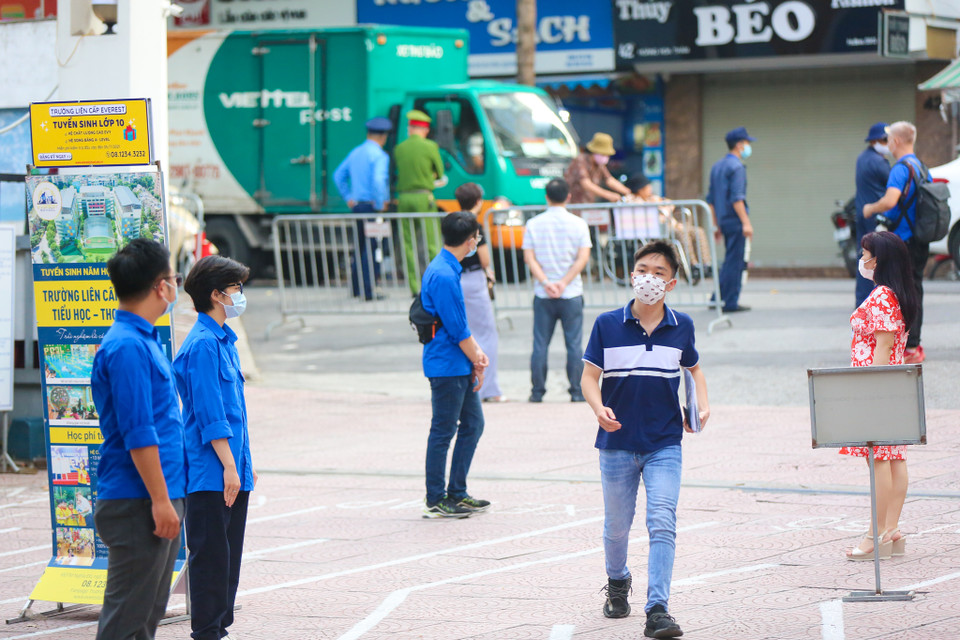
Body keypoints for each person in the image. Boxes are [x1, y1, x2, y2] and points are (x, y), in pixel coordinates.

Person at [581, 240, 710, 640]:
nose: (648, 278)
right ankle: (618, 581)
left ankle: (658, 609)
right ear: (631, 274)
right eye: (642, 270)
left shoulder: (681, 325)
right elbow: (588, 377)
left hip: (664, 442)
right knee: (617, 526)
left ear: (671, 283)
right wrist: (597, 408)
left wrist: (702, 404)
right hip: (616, 443)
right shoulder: (606, 324)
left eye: (658, 273)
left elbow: (694, 369)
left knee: (662, 522)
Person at [90, 239, 186, 640]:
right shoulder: (128, 346)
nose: (176, 286)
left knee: (146, 615)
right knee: (127, 621)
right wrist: (161, 501)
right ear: (160, 286)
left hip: (154, 495)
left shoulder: (142, 339)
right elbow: (139, 433)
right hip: (139, 500)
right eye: (173, 277)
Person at [173, 255, 257, 640]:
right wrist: (228, 465)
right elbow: (210, 415)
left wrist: (243, 462)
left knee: (229, 558)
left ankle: (219, 627)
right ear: (216, 294)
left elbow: (234, 411)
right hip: (211, 472)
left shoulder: (224, 340)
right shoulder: (204, 345)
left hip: (230, 466)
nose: (240, 295)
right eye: (235, 288)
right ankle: (207, 631)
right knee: (210, 558)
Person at [838, 230, 919, 560]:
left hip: (879, 387)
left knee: (881, 461)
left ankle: (875, 536)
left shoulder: (883, 296)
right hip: (892, 387)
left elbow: (883, 347)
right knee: (894, 458)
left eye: (866, 254)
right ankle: (890, 529)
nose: (862, 259)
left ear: (880, 260)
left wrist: (870, 394)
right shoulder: (898, 294)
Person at [419, 211, 491, 518]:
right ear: (470, 239)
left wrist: (474, 355)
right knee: (443, 430)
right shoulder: (445, 274)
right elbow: (457, 327)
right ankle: (436, 497)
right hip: (447, 364)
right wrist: (478, 357)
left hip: (455, 362)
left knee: (473, 424)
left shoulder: (447, 266)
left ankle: (457, 492)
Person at [862, 121, 928, 364]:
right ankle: (913, 345)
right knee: (914, 291)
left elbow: (891, 201)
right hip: (920, 239)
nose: (887, 143)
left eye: (889, 139)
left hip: (904, 241)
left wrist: (870, 208)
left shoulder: (900, 168)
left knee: (898, 293)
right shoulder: (921, 166)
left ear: (896, 141)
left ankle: (906, 347)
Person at [522, 178, 592, 403]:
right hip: (571, 292)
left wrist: (546, 282)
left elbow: (529, 258)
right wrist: (564, 282)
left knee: (540, 344)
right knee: (574, 344)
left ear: (546, 197)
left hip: (543, 294)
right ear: (568, 196)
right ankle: (577, 392)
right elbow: (583, 257)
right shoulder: (578, 223)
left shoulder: (534, 224)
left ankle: (537, 392)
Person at [333, 117, 393, 301]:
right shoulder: (380, 156)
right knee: (372, 248)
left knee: (359, 247)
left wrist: (348, 197)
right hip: (372, 207)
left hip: (358, 206)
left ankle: (356, 288)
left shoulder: (356, 152)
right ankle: (369, 290)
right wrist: (381, 202)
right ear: (383, 136)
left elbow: (338, 175)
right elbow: (377, 180)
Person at [454, 182, 504, 402]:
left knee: (465, 332)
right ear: (478, 201)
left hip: (456, 278)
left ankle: (467, 385)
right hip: (474, 279)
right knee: (487, 334)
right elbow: (483, 259)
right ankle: (489, 389)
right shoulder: (474, 225)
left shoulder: (453, 223)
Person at [395, 109, 447, 295]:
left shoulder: (399, 148)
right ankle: (435, 284)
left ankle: (414, 287)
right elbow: (440, 173)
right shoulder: (430, 146)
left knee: (408, 244)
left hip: (404, 198)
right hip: (424, 197)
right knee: (431, 242)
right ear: (424, 130)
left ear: (410, 128)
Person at [706, 126, 756, 313]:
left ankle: (716, 298)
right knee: (735, 262)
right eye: (747, 143)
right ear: (739, 145)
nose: (749, 147)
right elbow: (737, 198)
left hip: (723, 220)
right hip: (734, 221)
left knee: (729, 260)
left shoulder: (717, 166)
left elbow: (710, 199)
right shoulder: (736, 167)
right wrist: (746, 222)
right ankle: (731, 302)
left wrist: (715, 223)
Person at [625, 174, 712, 273]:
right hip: (655, 229)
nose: (650, 189)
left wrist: (664, 207)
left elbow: (669, 204)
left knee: (698, 231)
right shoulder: (633, 200)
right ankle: (692, 265)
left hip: (670, 225)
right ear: (640, 189)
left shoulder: (653, 198)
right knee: (681, 234)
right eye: (647, 187)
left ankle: (706, 264)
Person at [854, 123, 891, 308]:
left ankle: (862, 306)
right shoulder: (878, 162)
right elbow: (894, 190)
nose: (888, 143)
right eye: (885, 140)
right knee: (876, 264)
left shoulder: (862, 158)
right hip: (875, 221)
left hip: (863, 218)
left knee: (864, 262)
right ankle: (872, 308)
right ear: (875, 141)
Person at [565, 132, 632, 205]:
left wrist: (628, 192)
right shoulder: (580, 161)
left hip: (588, 204)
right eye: (603, 154)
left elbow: (609, 180)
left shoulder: (600, 165)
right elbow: (586, 184)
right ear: (594, 151)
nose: (606, 157)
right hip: (574, 204)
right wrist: (608, 195)